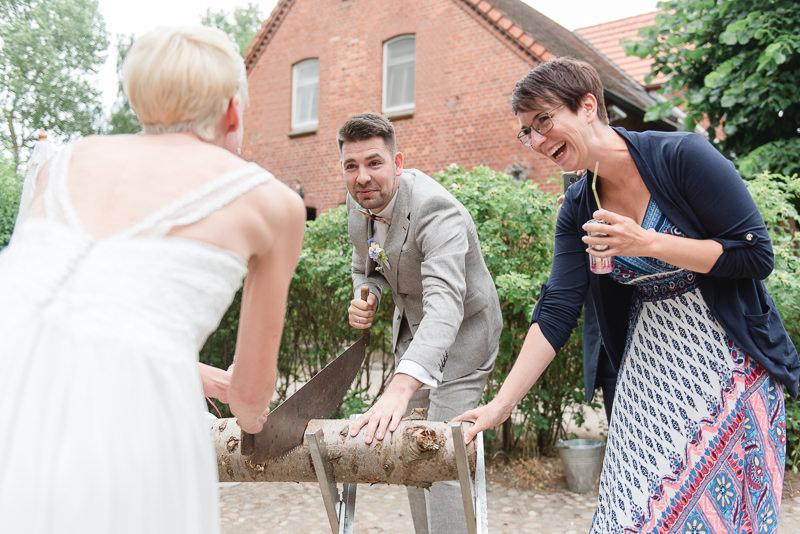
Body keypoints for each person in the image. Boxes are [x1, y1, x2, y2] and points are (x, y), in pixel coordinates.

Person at [455, 57, 799, 533]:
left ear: (588, 106)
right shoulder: (578, 207)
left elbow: (756, 255)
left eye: (543, 121)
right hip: (648, 375)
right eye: (526, 132)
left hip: (729, 362)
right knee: (630, 517)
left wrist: (648, 243)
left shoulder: (682, 155)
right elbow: (557, 307)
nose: (536, 140)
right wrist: (501, 405)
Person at [0, 26, 305, 533]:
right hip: (124, 427)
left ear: (142, 107)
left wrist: (201, 375)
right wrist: (249, 414)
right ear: (233, 110)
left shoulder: (64, 164)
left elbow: (74, 322)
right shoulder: (272, 202)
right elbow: (250, 397)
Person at [339, 112, 502, 533]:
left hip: (464, 334)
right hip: (413, 333)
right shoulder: (361, 206)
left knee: (443, 453)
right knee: (411, 451)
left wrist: (399, 386)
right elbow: (367, 267)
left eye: (374, 163)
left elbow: (446, 304)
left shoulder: (436, 210)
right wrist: (368, 295)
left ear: (398, 162)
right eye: (351, 166)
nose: (362, 178)